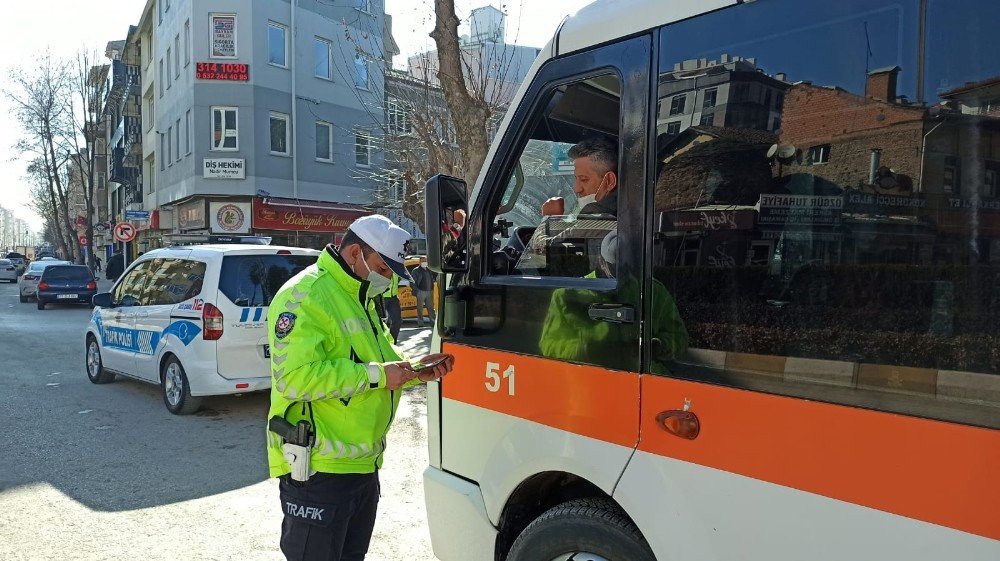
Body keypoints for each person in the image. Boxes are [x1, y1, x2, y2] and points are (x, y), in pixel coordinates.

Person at [265, 214, 455, 561]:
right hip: (319, 471)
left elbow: (378, 360)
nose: (389, 280)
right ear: (355, 254)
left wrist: (413, 371)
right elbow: (294, 379)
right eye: (384, 269)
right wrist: (380, 376)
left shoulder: (360, 296)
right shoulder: (304, 295)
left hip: (362, 468)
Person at [542, 136, 619, 218]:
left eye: (584, 179)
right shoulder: (622, 210)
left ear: (610, 181)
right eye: (576, 178)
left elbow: (569, 231)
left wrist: (550, 217)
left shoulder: (597, 216)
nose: (577, 189)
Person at [410, 257, 436, 328]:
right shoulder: (416, 270)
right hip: (421, 291)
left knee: (431, 308)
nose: (424, 262)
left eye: (425, 261)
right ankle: (420, 323)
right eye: (423, 261)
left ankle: (433, 322)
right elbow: (412, 281)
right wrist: (417, 291)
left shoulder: (429, 269)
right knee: (420, 308)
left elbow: (432, 278)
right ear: (419, 262)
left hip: (429, 291)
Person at [382, 274, 402, 344]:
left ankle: (393, 342)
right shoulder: (382, 264)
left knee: (397, 321)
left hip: (393, 297)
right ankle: (382, 342)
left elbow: (398, 279)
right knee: (381, 322)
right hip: (382, 297)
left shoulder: (396, 268)